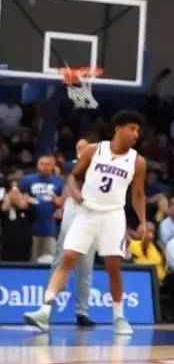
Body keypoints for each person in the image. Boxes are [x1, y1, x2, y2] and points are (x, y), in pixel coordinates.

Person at [23, 112, 146, 335]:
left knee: (113, 267)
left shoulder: (138, 161)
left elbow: (138, 195)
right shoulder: (93, 150)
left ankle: (119, 317)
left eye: (138, 130)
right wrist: (76, 193)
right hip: (87, 212)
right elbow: (73, 176)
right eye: (132, 128)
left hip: (113, 215)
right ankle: (44, 311)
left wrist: (143, 221)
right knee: (67, 258)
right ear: (118, 129)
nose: (136, 134)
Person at [52, 138, 96, 326]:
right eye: (78, 147)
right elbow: (71, 184)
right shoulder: (72, 165)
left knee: (85, 270)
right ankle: (47, 307)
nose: (81, 150)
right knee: (60, 262)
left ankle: (82, 313)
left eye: (84, 147)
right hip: (73, 214)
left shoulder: (101, 167)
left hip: (92, 216)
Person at [20, 153, 65, 263]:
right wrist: (25, 199)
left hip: (50, 229)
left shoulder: (59, 182)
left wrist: (60, 207)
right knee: (31, 262)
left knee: (49, 262)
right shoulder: (27, 180)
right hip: (31, 228)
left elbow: (63, 201)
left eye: (47, 164)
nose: (44, 166)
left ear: (53, 166)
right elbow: (20, 197)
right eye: (41, 164)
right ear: (37, 165)